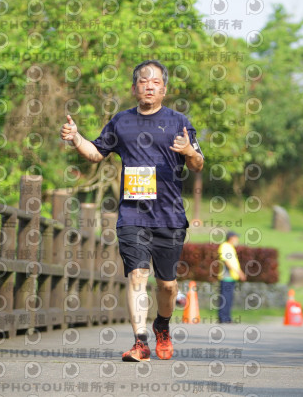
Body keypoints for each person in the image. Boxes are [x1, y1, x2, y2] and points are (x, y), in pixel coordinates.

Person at [60, 60, 204, 362]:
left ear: (164, 89)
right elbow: (95, 154)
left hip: (169, 215)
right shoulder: (121, 122)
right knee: (137, 275)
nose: (148, 85)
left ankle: (162, 325)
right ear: (134, 87)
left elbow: (198, 164)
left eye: (155, 82)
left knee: (166, 284)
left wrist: (189, 151)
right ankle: (140, 342)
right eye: (143, 80)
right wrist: (75, 138)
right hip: (132, 214)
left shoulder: (179, 121)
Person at [217, 231, 247, 323]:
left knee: (229, 298)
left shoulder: (230, 247)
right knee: (225, 298)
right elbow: (227, 262)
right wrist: (239, 272)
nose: (237, 239)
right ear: (231, 238)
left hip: (231, 277)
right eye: (236, 237)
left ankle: (227, 317)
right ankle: (223, 318)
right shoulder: (225, 246)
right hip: (226, 276)